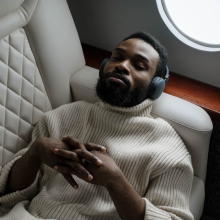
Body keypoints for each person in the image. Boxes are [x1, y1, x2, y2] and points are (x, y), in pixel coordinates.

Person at [0, 31, 194, 220]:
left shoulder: (169, 150)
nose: (122, 66)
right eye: (117, 57)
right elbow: (8, 196)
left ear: (156, 85)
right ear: (103, 67)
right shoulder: (61, 117)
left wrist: (115, 181)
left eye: (139, 66)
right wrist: (36, 152)